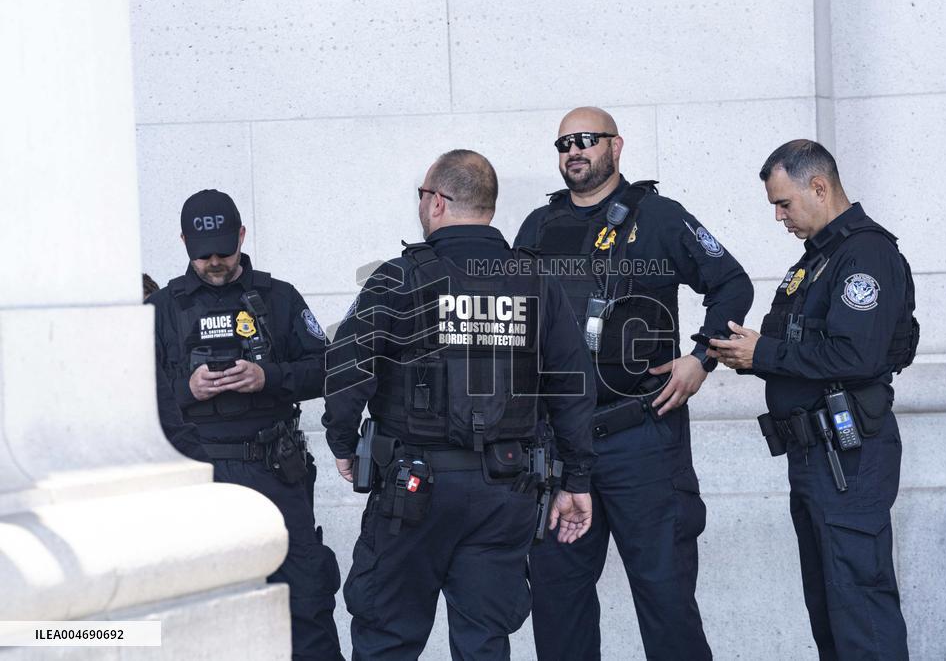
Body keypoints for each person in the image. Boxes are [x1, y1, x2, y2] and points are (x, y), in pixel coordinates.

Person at [323, 149, 597, 660]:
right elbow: (573, 386)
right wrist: (576, 479)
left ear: (437, 202)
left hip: (412, 491)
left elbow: (347, 367)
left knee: (387, 638)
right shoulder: (536, 281)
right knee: (484, 642)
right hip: (506, 490)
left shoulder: (398, 277)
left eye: (421, 196)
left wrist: (342, 442)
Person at [514, 107, 754, 660]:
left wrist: (702, 358)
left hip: (642, 440)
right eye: (564, 144)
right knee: (558, 608)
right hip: (558, 448)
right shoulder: (538, 226)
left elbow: (731, 284)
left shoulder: (660, 217)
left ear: (615, 146)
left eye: (586, 139)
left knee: (666, 602)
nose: (574, 151)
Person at [709, 139, 917, 660]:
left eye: (784, 203)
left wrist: (764, 353)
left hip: (847, 455)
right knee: (830, 610)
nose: (779, 217)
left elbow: (857, 355)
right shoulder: (820, 259)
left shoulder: (865, 254)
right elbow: (805, 347)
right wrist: (751, 352)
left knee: (860, 609)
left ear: (819, 187)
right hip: (815, 454)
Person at [147, 189, 343, 661]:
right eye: (203, 255)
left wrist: (267, 377)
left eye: (224, 250)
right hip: (199, 479)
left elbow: (329, 369)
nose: (215, 262)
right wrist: (185, 390)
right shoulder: (163, 309)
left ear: (242, 235)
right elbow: (128, 394)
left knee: (306, 600)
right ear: (184, 243)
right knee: (206, 613)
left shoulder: (279, 298)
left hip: (276, 471)